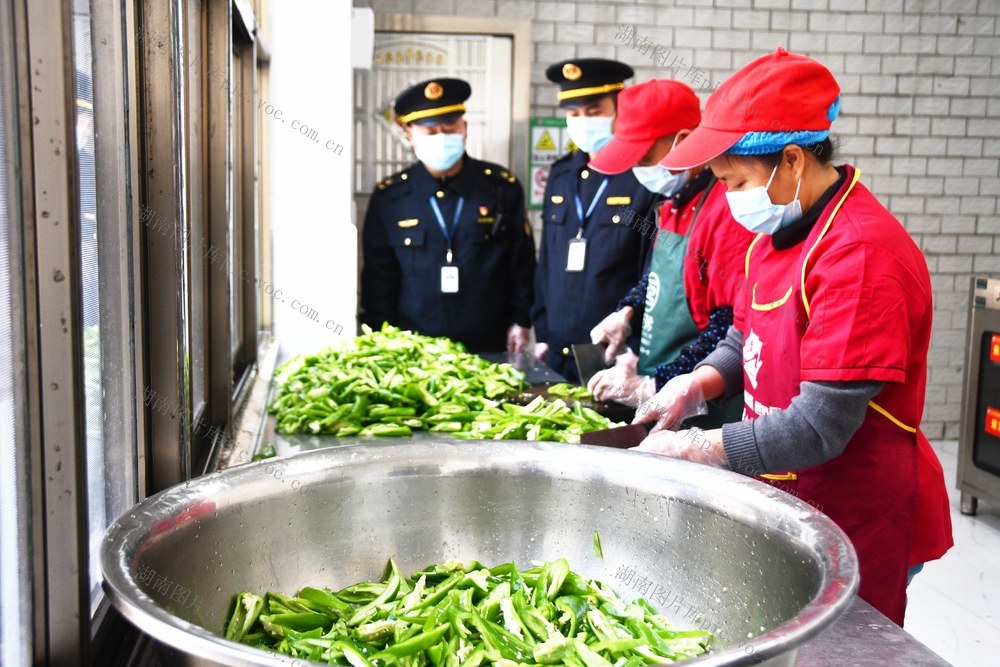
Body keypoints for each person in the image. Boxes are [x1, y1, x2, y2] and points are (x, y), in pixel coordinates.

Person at [632, 48, 953, 626]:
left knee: (841, 648)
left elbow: (819, 426)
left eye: (736, 181)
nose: (730, 198)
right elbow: (745, 335)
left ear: (792, 160)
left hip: (854, 509)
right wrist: (698, 384)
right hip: (788, 492)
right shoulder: (774, 235)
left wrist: (700, 447)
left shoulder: (859, 255)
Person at [584, 79, 754, 430]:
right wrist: (628, 312)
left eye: (645, 157)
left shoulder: (725, 210)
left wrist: (657, 383)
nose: (638, 167)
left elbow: (732, 324)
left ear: (685, 139)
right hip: (662, 394)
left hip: (704, 408)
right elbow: (664, 276)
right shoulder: (674, 203)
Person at [360, 78, 535, 354]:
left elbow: (521, 264)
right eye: (430, 131)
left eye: (449, 128)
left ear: (464, 129)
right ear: (410, 134)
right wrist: (380, 341)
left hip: (489, 344)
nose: (441, 137)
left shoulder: (501, 187)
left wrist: (521, 319)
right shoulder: (391, 198)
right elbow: (379, 280)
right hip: (414, 347)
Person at [532, 59, 656, 381]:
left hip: (617, 351)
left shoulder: (642, 177)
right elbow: (547, 262)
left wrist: (636, 344)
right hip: (558, 348)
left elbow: (652, 267)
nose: (583, 121)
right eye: (574, 113)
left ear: (618, 110)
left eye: (594, 110)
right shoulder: (561, 175)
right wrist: (542, 331)